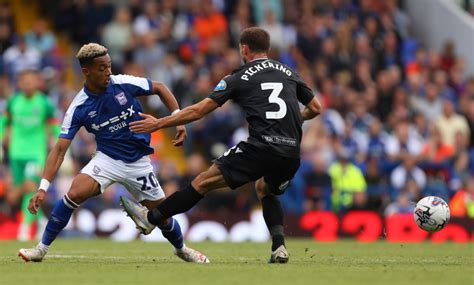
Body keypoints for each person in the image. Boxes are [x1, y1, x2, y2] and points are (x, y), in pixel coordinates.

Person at [120, 27, 322, 263]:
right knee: (264, 189)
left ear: (244, 49)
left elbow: (198, 111)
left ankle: (151, 219)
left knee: (202, 182)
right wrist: (294, 120)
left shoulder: (239, 77)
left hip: (261, 147)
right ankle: (279, 247)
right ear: (266, 49)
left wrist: (160, 123)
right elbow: (315, 108)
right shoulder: (288, 72)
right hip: (290, 152)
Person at [18, 43, 209, 263]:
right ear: (86, 71)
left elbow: (160, 87)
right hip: (107, 159)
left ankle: (182, 249)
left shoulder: (122, 83)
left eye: (108, 66)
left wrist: (178, 119)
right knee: (75, 192)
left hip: (139, 162)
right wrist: (43, 188)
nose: (108, 71)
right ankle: (41, 249)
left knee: (163, 217)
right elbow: (60, 149)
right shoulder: (79, 107)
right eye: (101, 68)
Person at [4, 70, 59, 241]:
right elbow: (4, 122)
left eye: (30, 80)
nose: (27, 84)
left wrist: (59, 145)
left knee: (29, 186)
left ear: (37, 83)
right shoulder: (13, 102)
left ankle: (25, 227)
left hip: (35, 153)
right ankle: (41, 220)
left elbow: (54, 124)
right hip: (15, 152)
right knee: (18, 189)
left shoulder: (44, 103)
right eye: (24, 80)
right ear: (19, 83)